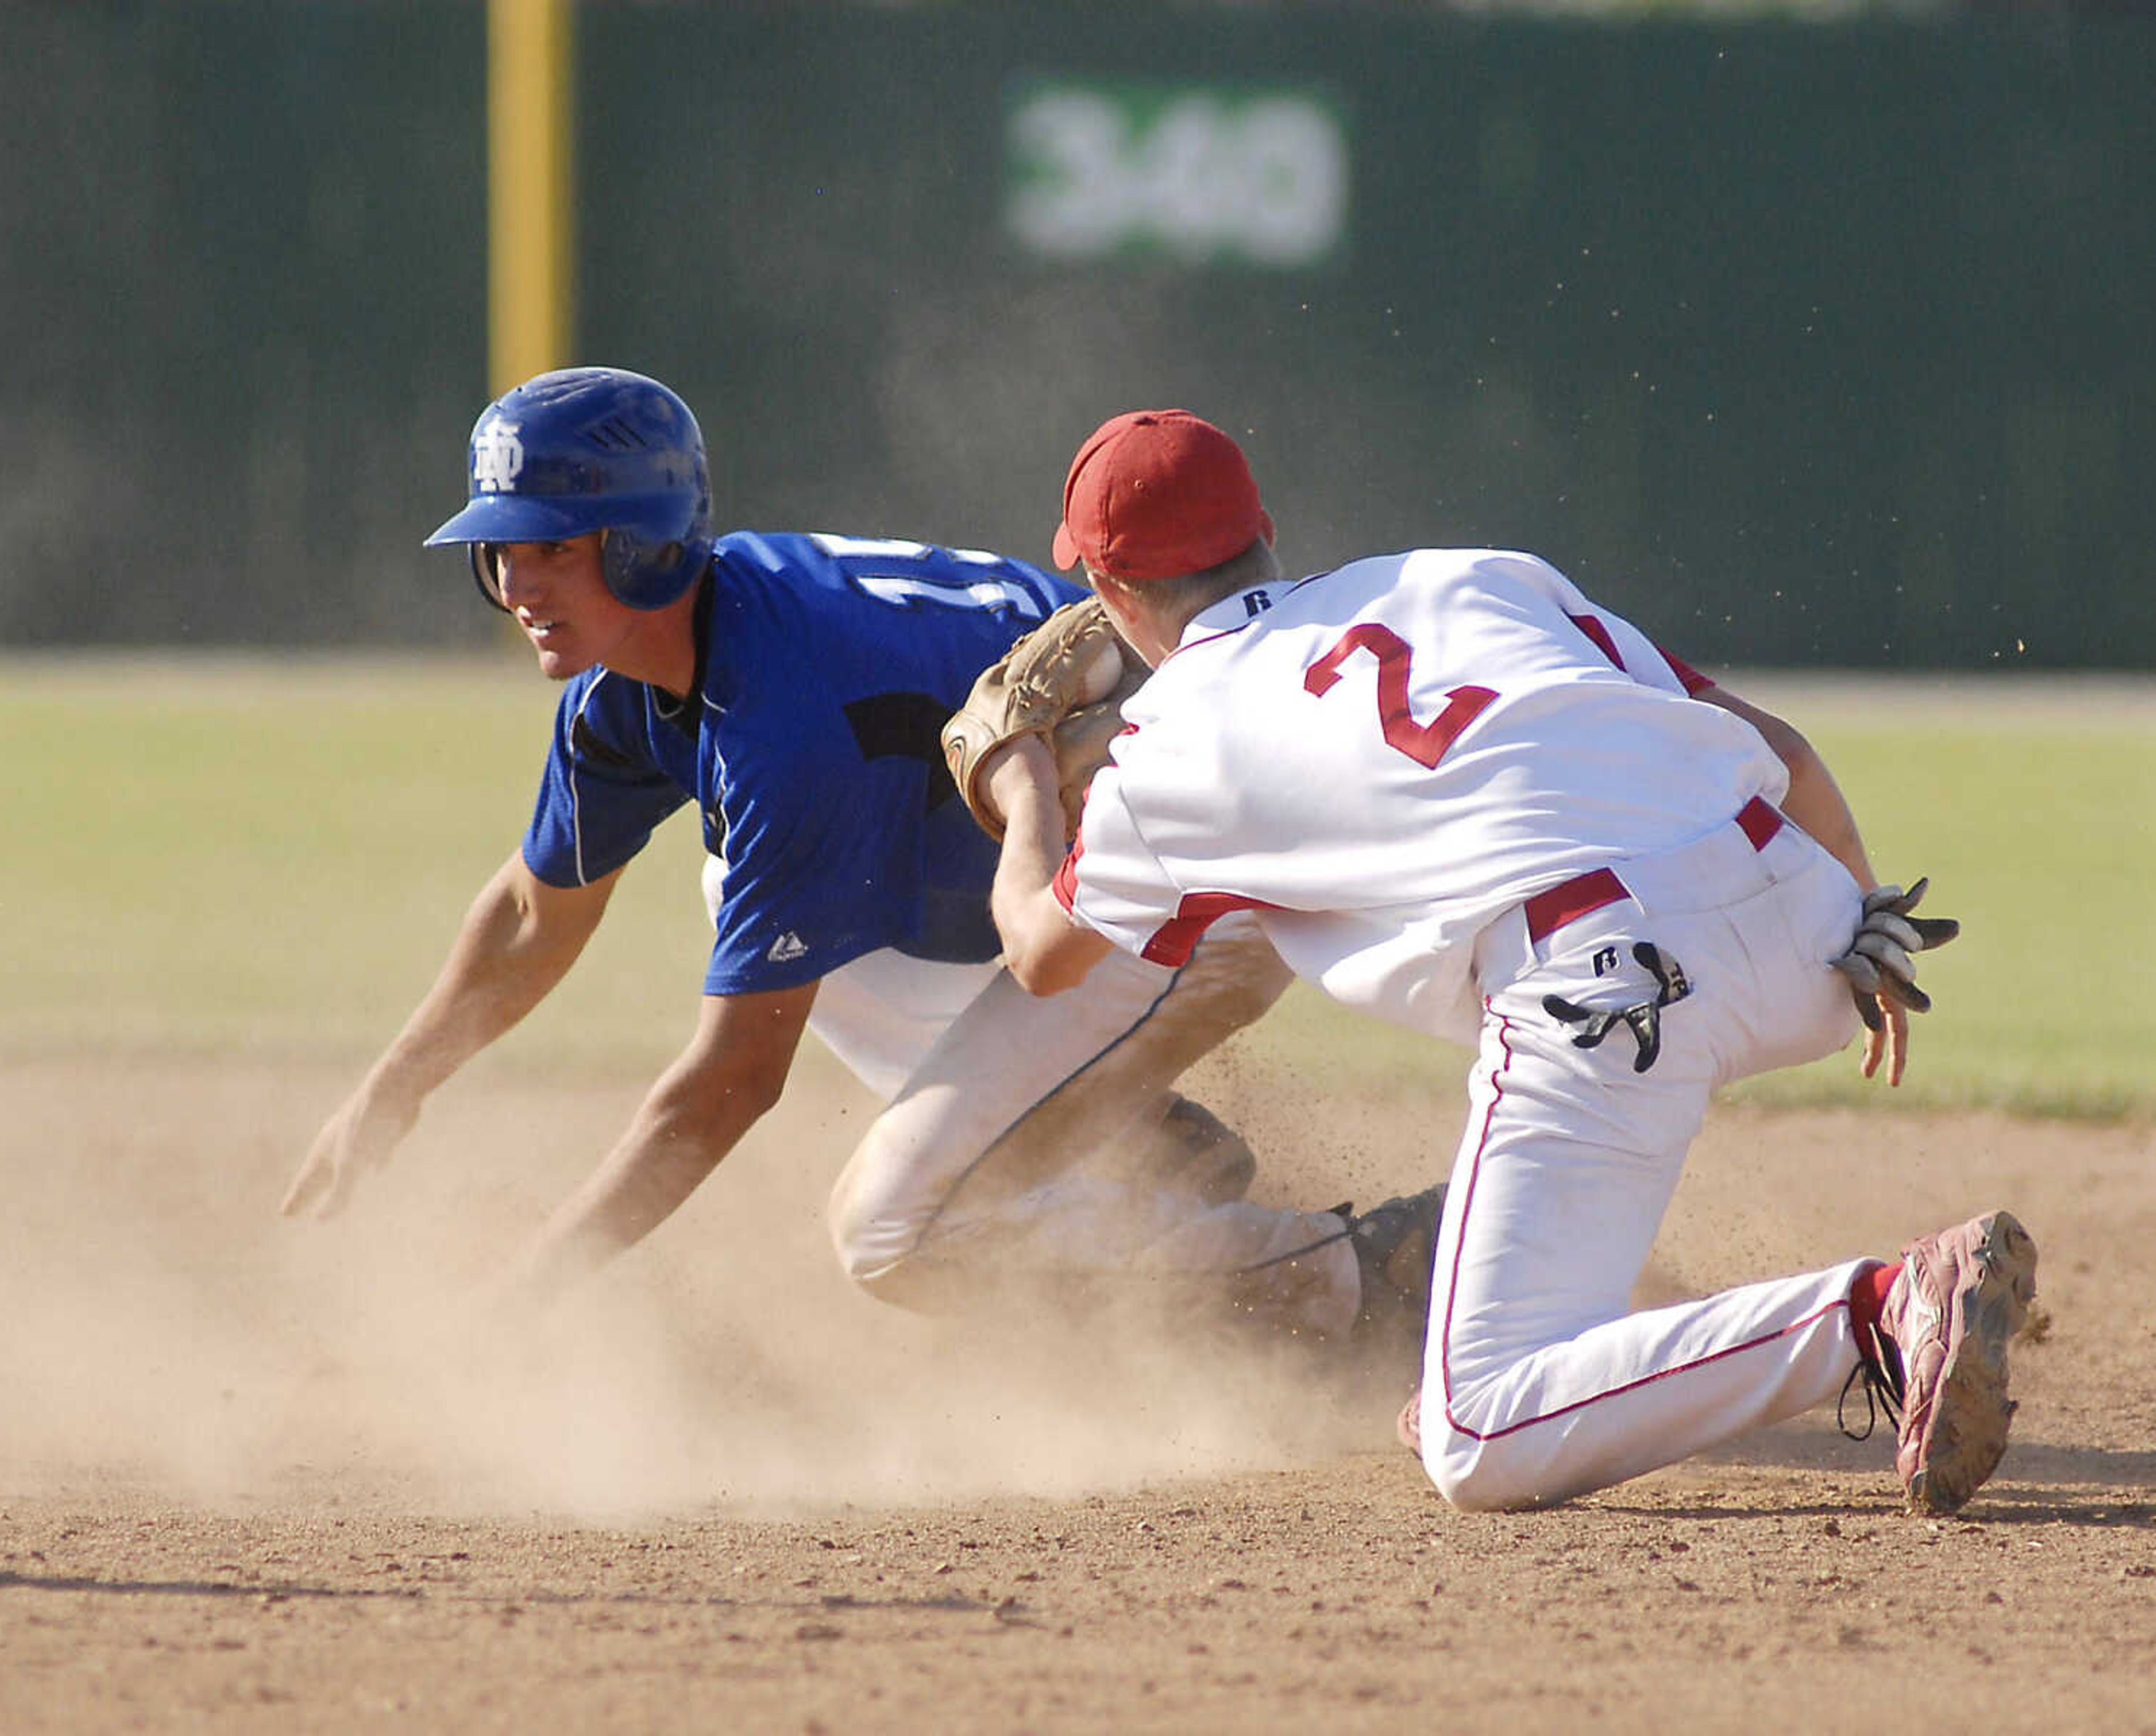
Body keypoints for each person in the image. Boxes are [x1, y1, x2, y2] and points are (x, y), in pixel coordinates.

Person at [981, 406, 2038, 1515]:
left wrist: (1017, 782)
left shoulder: (1170, 752)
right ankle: (1514, 1326)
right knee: (1530, 1101)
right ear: (1266, 530)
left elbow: (1042, 958)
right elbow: (1775, 747)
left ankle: (1878, 1310)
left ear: (1108, 590)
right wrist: (1855, 906)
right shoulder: (1471, 577)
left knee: (1478, 1431)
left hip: (1611, 981)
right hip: (1810, 927)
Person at [280, 367, 1442, 1359]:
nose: (517, 586)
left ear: (638, 544)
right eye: (501, 554)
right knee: (740, 889)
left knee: (900, 1229)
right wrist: (398, 1081)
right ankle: (1135, 1146)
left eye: (549, 549)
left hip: (1194, 865)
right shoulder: (634, 688)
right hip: (1069, 864)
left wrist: (521, 1297)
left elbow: (723, 1087)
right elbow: (539, 914)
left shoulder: (781, 730)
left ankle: (1367, 1273)